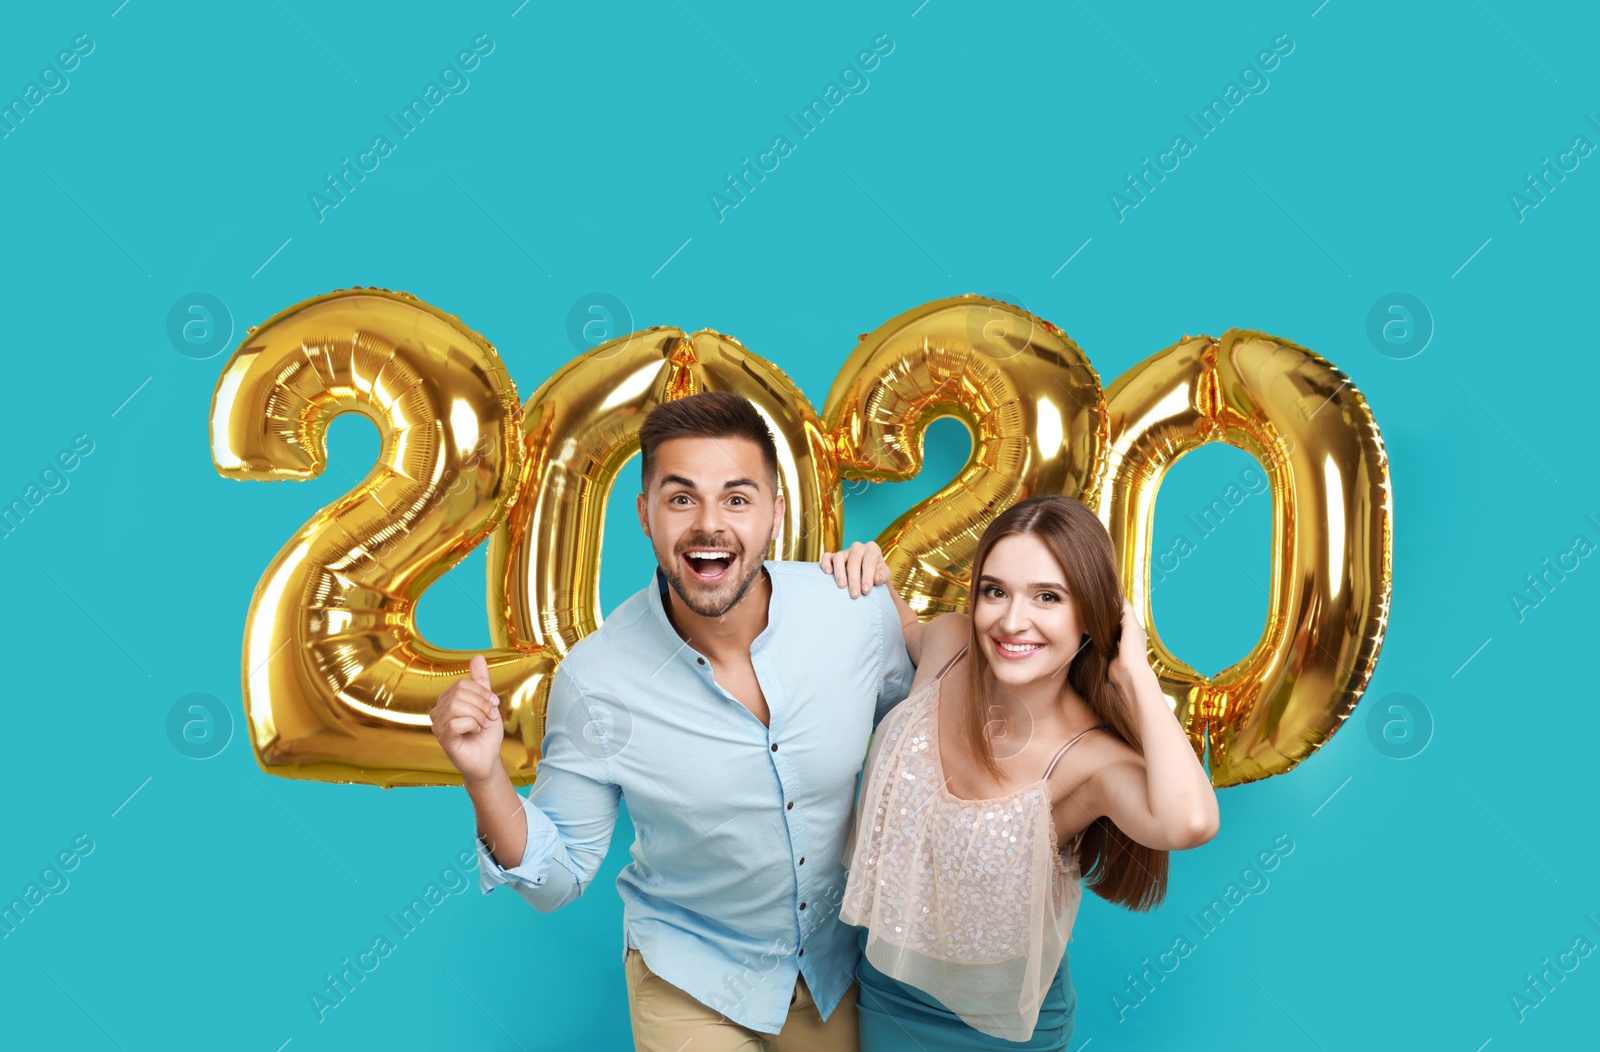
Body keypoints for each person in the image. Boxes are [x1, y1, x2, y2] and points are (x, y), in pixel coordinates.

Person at [430, 391, 916, 1051]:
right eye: (681, 498)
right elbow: (559, 876)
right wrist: (483, 775)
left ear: (775, 514)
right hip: (692, 974)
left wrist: (897, 605)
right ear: (646, 515)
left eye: (737, 499)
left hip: (834, 969)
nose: (708, 525)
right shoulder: (596, 681)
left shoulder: (853, 614)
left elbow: (932, 735)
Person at [819, 496, 1220, 1049]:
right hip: (887, 997)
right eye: (995, 591)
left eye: (1048, 597)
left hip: (1002, 1029)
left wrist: (1135, 672)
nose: (1011, 621)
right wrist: (868, 566)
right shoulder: (952, 645)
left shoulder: (1091, 759)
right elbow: (902, 624)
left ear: (1092, 615)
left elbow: (1190, 823)